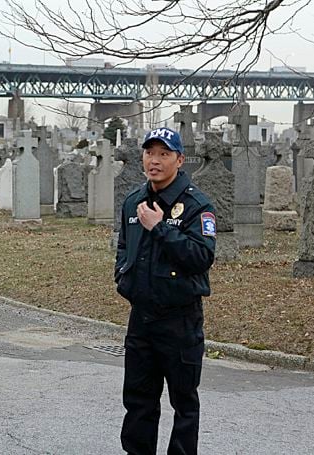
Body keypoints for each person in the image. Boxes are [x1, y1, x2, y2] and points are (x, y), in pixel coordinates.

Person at [115, 127, 216, 455]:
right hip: (142, 320)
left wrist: (159, 228)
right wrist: (123, 278)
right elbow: (123, 247)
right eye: (149, 153)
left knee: (184, 404)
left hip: (180, 321)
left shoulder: (196, 205)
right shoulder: (134, 201)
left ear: (179, 159)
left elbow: (202, 256)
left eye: (163, 154)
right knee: (138, 402)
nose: (154, 161)